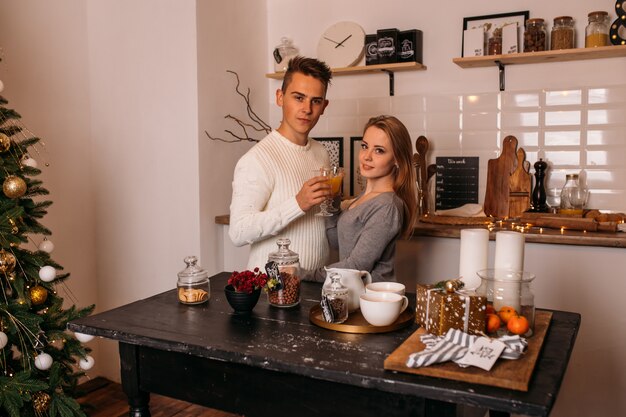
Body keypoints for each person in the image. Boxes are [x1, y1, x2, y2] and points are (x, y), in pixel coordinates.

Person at [229, 56, 333, 277]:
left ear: (324, 106)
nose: (307, 108)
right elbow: (238, 232)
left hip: (315, 284)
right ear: (280, 97)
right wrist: (297, 204)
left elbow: (319, 221)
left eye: (315, 101)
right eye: (298, 97)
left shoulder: (321, 153)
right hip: (270, 290)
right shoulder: (257, 159)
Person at [314, 115, 417, 282]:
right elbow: (337, 243)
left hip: (373, 300)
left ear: (397, 159)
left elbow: (355, 267)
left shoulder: (386, 206)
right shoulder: (364, 198)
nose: (366, 156)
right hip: (355, 295)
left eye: (379, 150)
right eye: (364, 146)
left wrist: (304, 274)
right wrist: (332, 199)